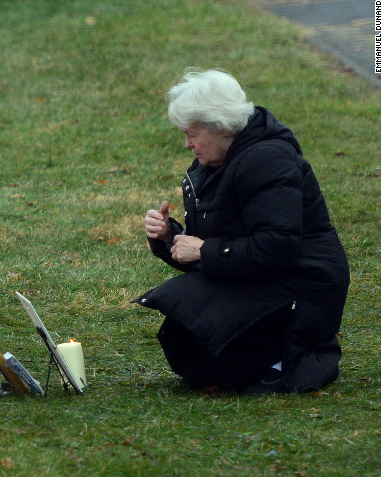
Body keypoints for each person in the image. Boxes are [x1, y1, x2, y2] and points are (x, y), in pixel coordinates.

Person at [135, 69, 349, 394]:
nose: (187, 144)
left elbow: (276, 246)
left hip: (303, 283)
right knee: (186, 327)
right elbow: (216, 244)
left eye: (192, 134)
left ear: (220, 126)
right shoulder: (218, 162)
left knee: (191, 308)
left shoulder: (267, 161)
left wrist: (203, 251)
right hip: (269, 272)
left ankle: (286, 358)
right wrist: (170, 236)